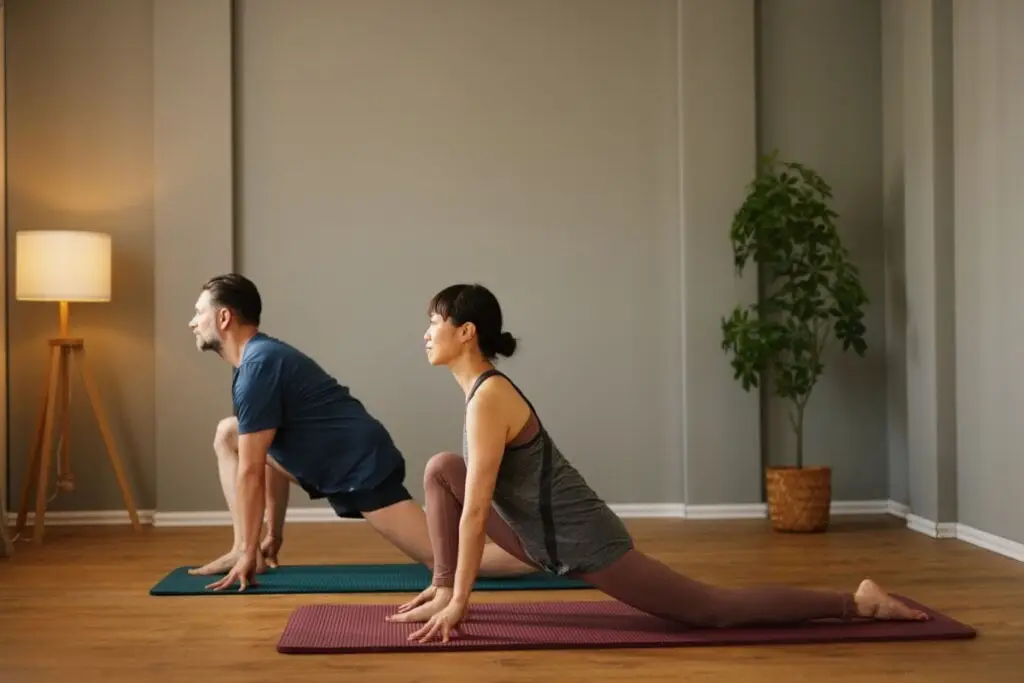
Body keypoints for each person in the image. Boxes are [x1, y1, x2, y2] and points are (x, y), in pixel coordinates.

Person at [385, 283, 931, 643]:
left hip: (581, 540)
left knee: (709, 610)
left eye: (435, 320)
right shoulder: (478, 393)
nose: (425, 332)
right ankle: (436, 584)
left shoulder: (489, 397)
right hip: (536, 535)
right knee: (440, 468)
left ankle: (855, 603)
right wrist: (446, 584)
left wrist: (463, 602)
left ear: (466, 332)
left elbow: (476, 511)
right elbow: (462, 492)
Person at [186, 273, 533, 590]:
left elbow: (250, 470)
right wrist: (269, 536)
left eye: (198, 312)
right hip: (335, 463)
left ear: (224, 317)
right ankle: (240, 548)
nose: (192, 322)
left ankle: (545, 556)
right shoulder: (256, 361)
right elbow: (263, 453)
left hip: (360, 468)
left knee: (446, 561)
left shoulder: (257, 367)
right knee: (229, 433)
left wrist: (252, 548)